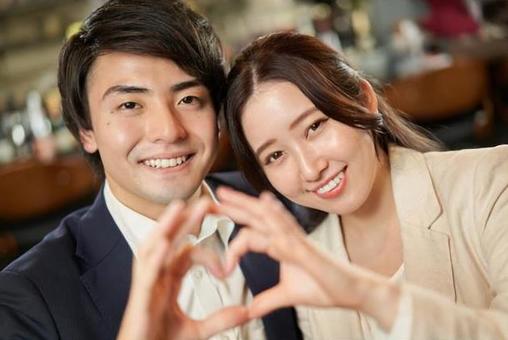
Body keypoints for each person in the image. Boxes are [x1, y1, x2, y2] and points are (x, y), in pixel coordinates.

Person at [0, 2, 309, 339]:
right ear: (85, 130)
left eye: (188, 99)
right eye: (130, 105)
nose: (168, 130)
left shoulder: (280, 201)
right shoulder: (27, 299)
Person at [219, 31, 508, 339]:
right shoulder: (310, 262)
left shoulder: (490, 182)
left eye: (314, 126)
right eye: (275, 155)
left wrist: (366, 294)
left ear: (365, 99)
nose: (310, 169)